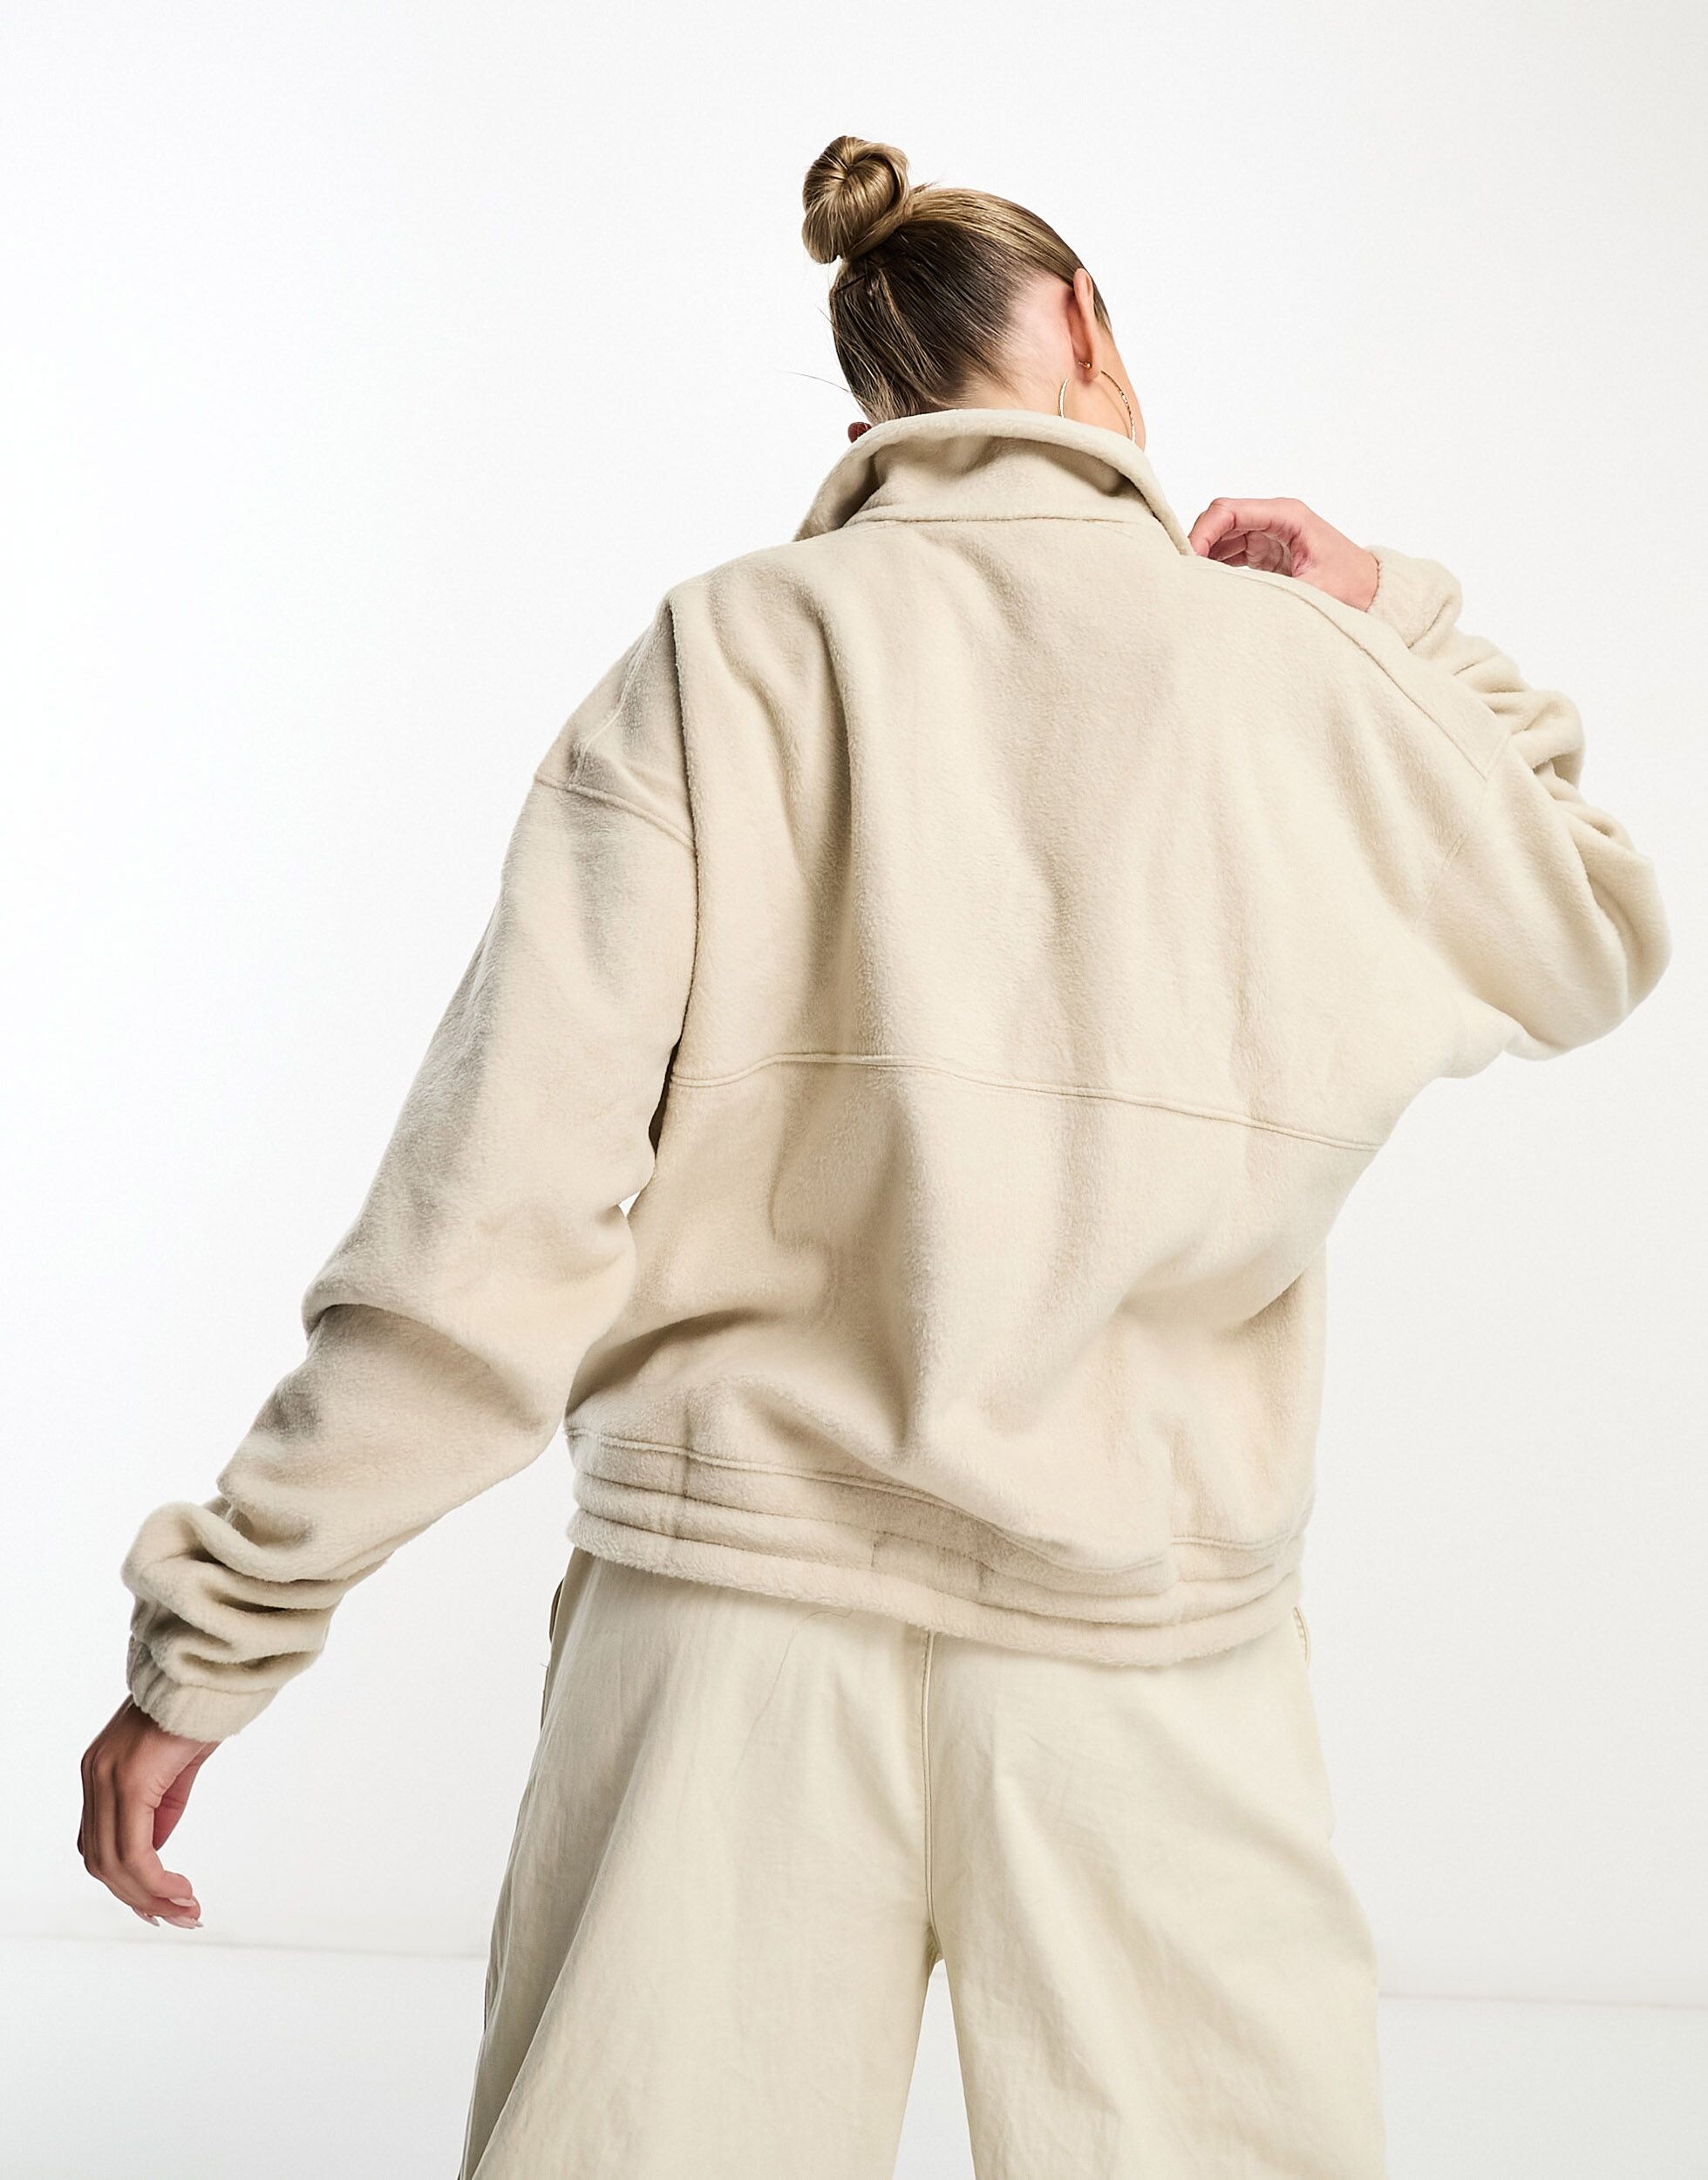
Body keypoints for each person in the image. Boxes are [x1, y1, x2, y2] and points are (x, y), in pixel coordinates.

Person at [80, 133, 1671, 2178]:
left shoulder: (728, 651)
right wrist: (1393, 612)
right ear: (1084, 324)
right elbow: (1588, 916)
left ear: (867, 421)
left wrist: (223, 1633)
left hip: (726, 1631)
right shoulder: (1295, 672)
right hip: (1145, 1648)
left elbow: (490, 1214)